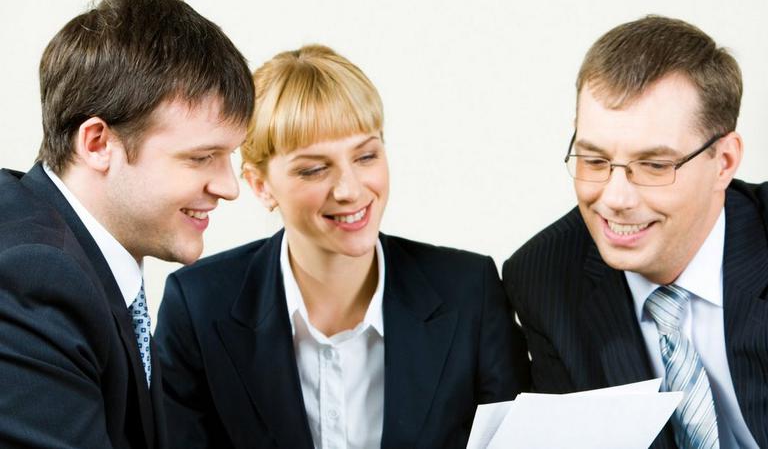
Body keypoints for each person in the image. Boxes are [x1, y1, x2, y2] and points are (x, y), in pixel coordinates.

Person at [155, 44, 529, 449]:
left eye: (366, 156)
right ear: (261, 186)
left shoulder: (470, 292)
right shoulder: (197, 307)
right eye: (315, 169)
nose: (350, 190)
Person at [503, 15, 768, 449]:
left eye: (655, 166)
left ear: (725, 161)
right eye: (594, 160)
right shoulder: (544, 279)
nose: (615, 197)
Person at [0, 0, 254, 447]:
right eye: (202, 157)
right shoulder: (31, 278)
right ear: (98, 143)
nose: (228, 186)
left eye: (229, 156)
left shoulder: (80, 256)